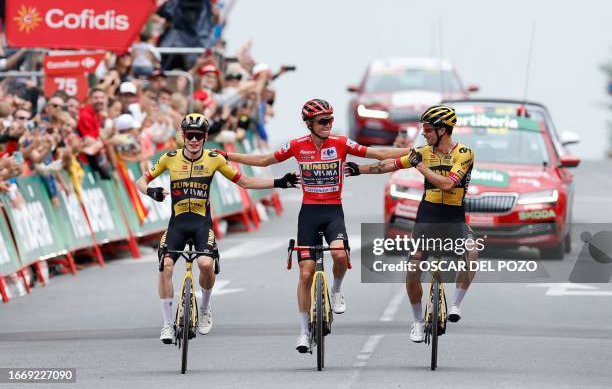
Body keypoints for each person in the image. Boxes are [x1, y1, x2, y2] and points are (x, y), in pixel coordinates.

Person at [217, 99, 412, 352]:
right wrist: (228, 155)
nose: (329, 124)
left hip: (333, 211)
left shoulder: (340, 143)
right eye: (323, 121)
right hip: (308, 213)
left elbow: (378, 154)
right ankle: (302, 331)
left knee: (340, 254)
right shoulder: (298, 146)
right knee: (306, 272)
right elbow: (265, 161)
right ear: (309, 124)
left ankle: (337, 290)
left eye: (331, 120)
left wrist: (412, 152)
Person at [135, 113, 299, 344]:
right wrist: (150, 191)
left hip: (201, 224)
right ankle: (166, 324)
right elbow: (140, 182)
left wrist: (279, 182)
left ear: (205, 138)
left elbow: (245, 182)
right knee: (166, 266)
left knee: (205, 264)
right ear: (183, 136)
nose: (194, 140)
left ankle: (204, 307)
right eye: (190, 135)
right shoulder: (169, 158)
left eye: (198, 136)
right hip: (177, 224)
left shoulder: (214, 159)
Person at [345, 105, 477, 343]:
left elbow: (447, 184)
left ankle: (456, 305)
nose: (424, 133)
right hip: (428, 215)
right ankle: (417, 321)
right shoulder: (423, 152)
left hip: (454, 217)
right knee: (413, 267)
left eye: (427, 129)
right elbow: (388, 165)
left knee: (472, 252)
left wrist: (420, 166)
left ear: (443, 130)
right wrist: (358, 170)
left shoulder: (464, 153)